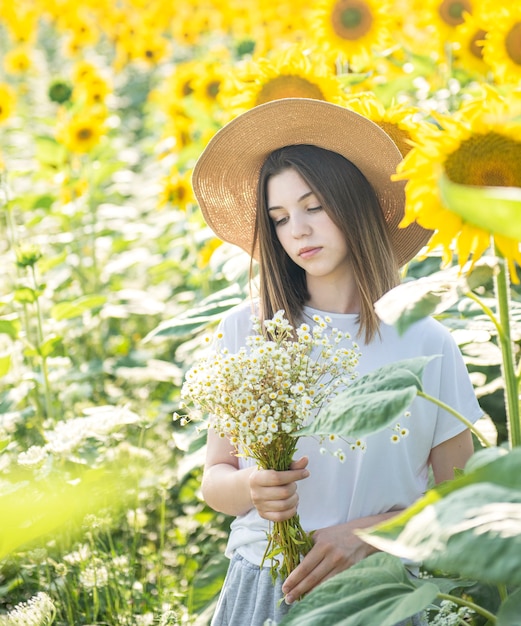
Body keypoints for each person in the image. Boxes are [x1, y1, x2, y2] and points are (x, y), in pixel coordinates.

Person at [190, 98, 483, 626]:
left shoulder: (427, 340)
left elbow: (456, 502)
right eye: (279, 219)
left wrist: (370, 536)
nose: (296, 230)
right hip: (265, 583)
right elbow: (215, 479)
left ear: (354, 204)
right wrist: (252, 488)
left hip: (381, 595)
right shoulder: (247, 329)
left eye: (314, 207)